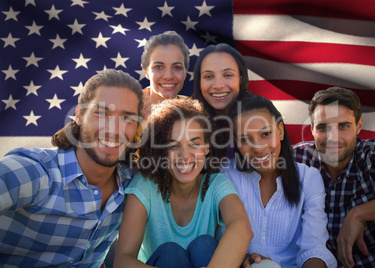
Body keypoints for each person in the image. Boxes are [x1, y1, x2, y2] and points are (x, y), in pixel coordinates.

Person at [0, 69, 143, 267]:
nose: (114, 129)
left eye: (128, 118)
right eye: (102, 113)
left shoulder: (133, 185)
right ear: (79, 115)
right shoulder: (36, 171)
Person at [113, 98, 253, 268]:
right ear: (160, 150)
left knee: (205, 245)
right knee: (170, 253)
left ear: (207, 147)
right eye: (173, 145)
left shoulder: (216, 184)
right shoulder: (144, 186)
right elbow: (122, 260)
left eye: (194, 144)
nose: (185, 155)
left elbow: (241, 227)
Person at [219, 93, 337, 267]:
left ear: (280, 131)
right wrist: (241, 256)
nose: (258, 147)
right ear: (236, 142)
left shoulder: (309, 178)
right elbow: (221, 237)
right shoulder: (226, 176)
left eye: (265, 134)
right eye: (245, 139)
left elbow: (314, 246)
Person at [293, 86, 375, 267]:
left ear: (359, 126)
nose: (333, 137)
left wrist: (359, 214)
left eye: (343, 126)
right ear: (312, 129)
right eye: (322, 127)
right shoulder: (297, 160)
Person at [192, 43, 249, 158]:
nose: (218, 85)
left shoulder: (260, 113)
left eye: (228, 75)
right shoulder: (186, 120)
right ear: (199, 82)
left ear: (240, 78)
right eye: (208, 76)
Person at [140, 31, 189, 118]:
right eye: (158, 67)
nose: (168, 76)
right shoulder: (126, 107)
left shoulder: (195, 110)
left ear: (185, 71)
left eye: (177, 67)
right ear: (146, 71)